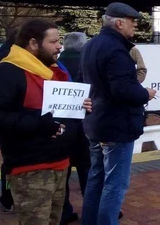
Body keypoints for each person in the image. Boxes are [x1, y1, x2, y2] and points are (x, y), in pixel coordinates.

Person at [0, 19, 78, 225]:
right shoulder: (7, 73)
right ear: (33, 43)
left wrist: (79, 105)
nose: (60, 46)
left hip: (60, 163)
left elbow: (58, 111)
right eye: (53, 41)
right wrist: (38, 124)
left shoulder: (51, 70)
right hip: (32, 168)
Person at [80, 2, 157, 225]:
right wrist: (146, 94)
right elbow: (123, 90)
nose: (135, 26)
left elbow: (84, 81)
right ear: (119, 23)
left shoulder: (90, 46)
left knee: (96, 179)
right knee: (115, 184)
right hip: (116, 126)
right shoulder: (117, 51)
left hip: (96, 123)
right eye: (132, 21)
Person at [57, 32, 90, 225]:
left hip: (61, 127)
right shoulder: (86, 64)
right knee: (87, 169)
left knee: (64, 172)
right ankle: (92, 209)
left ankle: (64, 211)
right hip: (83, 125)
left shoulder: (55, 64)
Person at [0, 26, 20, 213]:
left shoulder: (4, 54)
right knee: (11, 165)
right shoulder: (13, 60)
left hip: (6, 128)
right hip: (12, 126)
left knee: (9, 164)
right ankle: (8, 197)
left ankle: (7, 198)